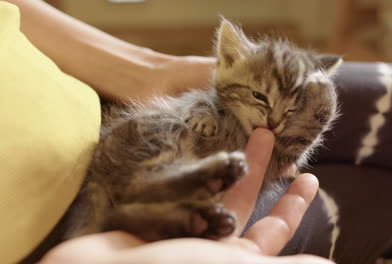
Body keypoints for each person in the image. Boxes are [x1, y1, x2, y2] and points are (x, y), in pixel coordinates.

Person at [4, 1, 333, 263]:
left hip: (103, 128)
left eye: (287, 111)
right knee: (327, 206)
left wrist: (150, 67)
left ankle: (168, 202)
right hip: (74, 197)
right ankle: (174, 196)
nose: (272, 122)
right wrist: (320, 108)